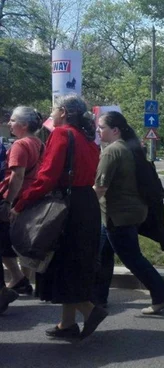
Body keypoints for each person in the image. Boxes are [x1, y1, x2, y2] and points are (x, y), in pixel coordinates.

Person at [12, 94, 107, 339]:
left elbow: (47, 177)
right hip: (86, 203)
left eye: (53, 109)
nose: (50, 114)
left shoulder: (62, 134)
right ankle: (67, 324)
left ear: (63, 112)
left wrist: (21, 203)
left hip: (66, 205)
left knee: (62, 261)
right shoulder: (87, 137)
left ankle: (89, 310)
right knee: (74, 262)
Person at [93, 111, 164, 313]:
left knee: (132, 258)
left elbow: (100, 188)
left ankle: (162, 294)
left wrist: (84, 211)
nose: (98, 130)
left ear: (115, 130)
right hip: (129, 212)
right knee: (103, 254)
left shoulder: (112, 151)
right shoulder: (130, 147)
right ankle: (98, 298)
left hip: (118, 216)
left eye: (101, 127)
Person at [1, 107, 44, 297]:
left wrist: (8, 202)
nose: (9, 123)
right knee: (23, 241)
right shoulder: (39, 143)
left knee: (4, 241)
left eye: (12, 120)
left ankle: (18, 279)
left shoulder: (19, 145)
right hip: (32, 197)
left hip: (17, 197)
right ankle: (23, 281)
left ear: (24, 125)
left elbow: (17, 176)